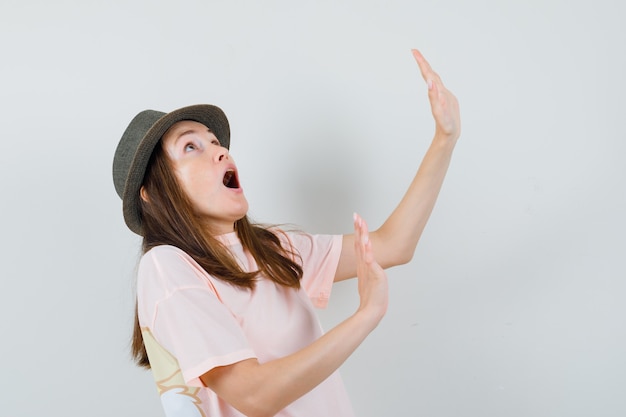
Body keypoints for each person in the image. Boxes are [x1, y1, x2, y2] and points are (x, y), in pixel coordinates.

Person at [112, 49, 460, 417]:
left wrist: (444, 138)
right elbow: (254, 396)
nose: (220, 152)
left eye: (215, 142)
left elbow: (394, 245)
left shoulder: (269, 249)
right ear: (151, 194)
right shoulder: (167, 266)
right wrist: (365, 316)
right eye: (190, 147)